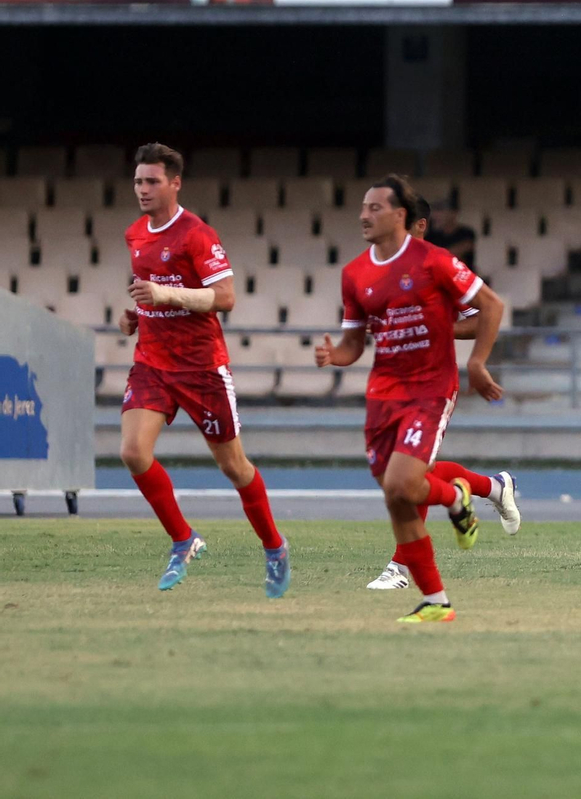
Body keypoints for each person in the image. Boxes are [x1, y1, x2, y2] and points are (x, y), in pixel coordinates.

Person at [316, 175, 508, 623]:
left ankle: (457, 501)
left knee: (403, 484)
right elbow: (353, 343)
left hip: (430, 388)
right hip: (384, 394)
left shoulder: (434, 261)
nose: (364, 215)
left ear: (400, 216)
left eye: (374, 208)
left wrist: (477, 362)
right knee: (397, 496)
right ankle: (437, 600)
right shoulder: (355, 274)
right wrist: (335, 356)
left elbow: (492, 306)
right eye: (362, 208)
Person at [117, 142, 289, 597]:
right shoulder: (135, 234)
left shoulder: (196, 234)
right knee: (133, 453)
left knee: (234, 468)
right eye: (138, 181)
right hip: (152, 363)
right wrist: (133, 314)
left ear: (175, 183)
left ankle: (274, 546)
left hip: (201, 368)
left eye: (152, 181)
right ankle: (183, 538)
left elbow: (226, 298)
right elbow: (146, 289)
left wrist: (167, 296)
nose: (143, 189)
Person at [365, 196, 520, 592]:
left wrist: (434, 327)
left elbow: (485, 314)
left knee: (407, 480)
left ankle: (401, 568)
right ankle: (493, 487)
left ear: (419, 226)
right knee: (414, 477)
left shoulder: (441, 267)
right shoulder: (377, 266)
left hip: (432, 385)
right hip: (394, 386)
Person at [424, 198, 476, 270]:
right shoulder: (432, 236)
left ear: (453, 214)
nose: (436, 216)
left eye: (441, 211)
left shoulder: (466, 233)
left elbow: (460, 250)